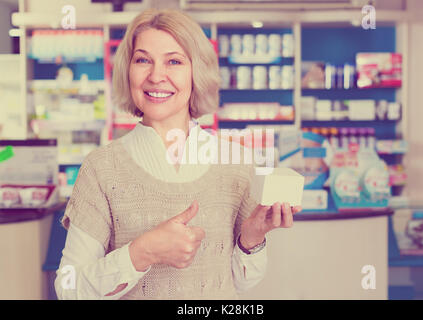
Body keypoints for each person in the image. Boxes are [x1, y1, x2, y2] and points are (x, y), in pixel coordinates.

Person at [55, 8, 301, 300]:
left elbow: (242, 282)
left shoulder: (236, 162)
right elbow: (68, 290)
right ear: (127, 70)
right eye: (143, 60)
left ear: (197, 71)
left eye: (174, 61)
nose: (156, 75)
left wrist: (251, 240)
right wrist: (142, 252)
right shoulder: (101, 169)